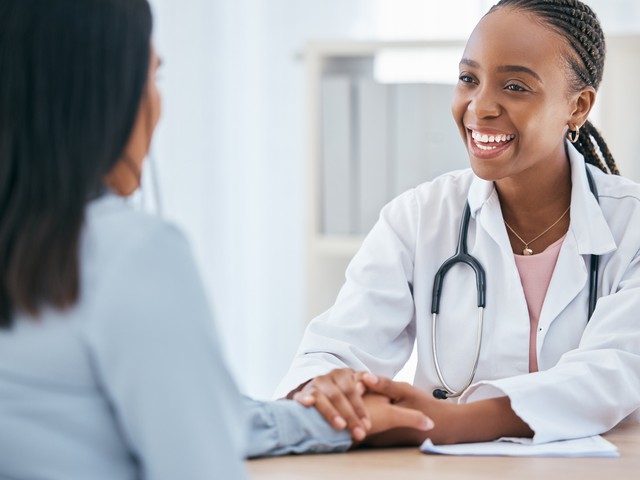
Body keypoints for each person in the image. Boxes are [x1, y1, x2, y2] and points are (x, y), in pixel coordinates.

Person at [0, 1, 434, 479]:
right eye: (153, 78)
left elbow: (203, 416)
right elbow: (201, 461)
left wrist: (325, 424)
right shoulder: (132, 252)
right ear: (107, 95)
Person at [276, 0, 640, 446]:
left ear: (578, 107)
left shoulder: (632, 226)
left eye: (515, 86)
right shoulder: (418, 218)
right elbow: (338, 346)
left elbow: (616, 370)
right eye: (469, 78)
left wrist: (451, 422)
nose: (480, 105)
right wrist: (326, 387)